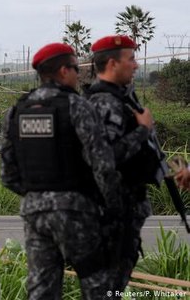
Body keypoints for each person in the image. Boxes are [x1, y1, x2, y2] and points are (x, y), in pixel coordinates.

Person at [0, 43, 122, 300]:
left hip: (34, 212)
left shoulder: (16, 111)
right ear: (64, 71)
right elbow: (103, 165)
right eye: (77, 69)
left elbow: (6, 174)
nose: (79, 75)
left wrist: (37, 194)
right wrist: (111, 207)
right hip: (76, 210)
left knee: (42, 287)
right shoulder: (77, 106)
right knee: (100, 284)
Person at [84, 35, 154, 296]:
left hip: (124, 210)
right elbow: (105, 158)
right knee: (107, 288)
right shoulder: (104, 103)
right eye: (131, 59)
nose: (136, 65)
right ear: (112, 64)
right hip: (112, 214)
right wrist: (143, 130)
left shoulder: (122, 99)